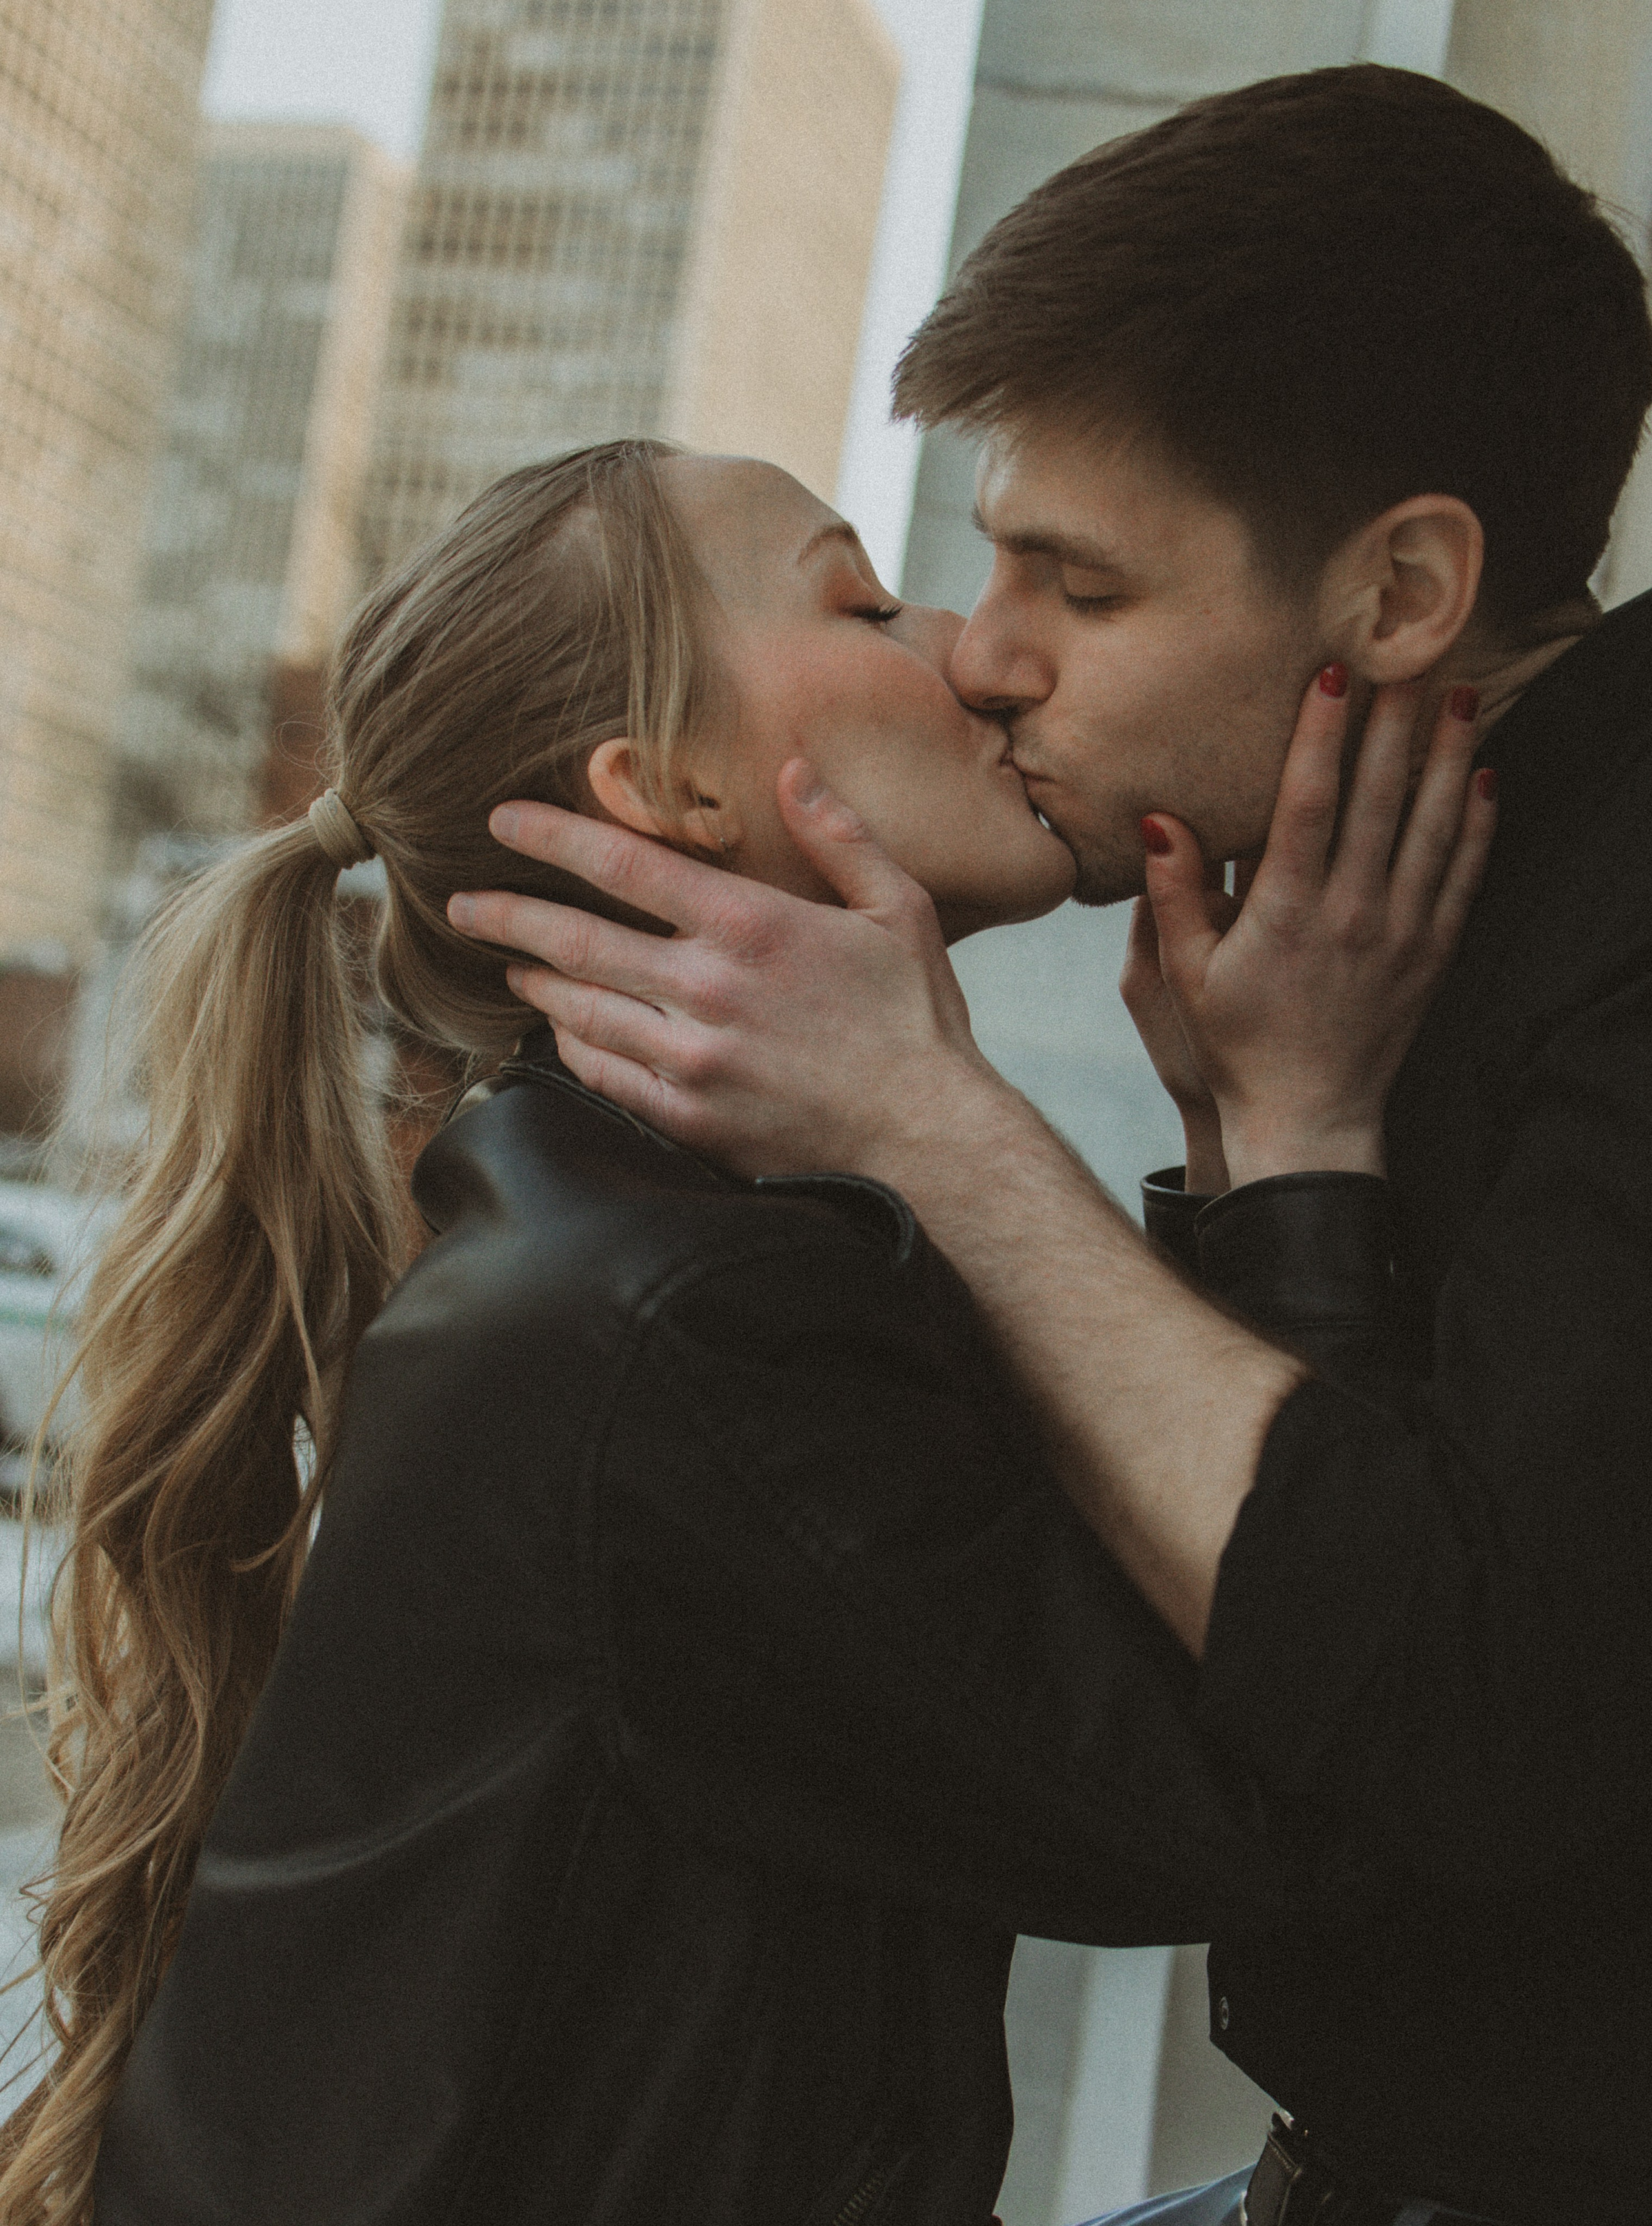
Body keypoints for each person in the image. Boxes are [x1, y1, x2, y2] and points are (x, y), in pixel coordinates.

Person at [0, 440, 1483, 2226]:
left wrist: (1217, 1145)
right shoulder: (678, 1320)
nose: (970, 649)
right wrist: (1306, 1141)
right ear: (672, 789)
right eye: (864, 601)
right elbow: (1313, 1782)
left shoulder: (636, 1227)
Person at [448, 66, 1652, 2225]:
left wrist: (944, 1125)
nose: (983, 655)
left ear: (1398, 594)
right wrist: (1273, 1146)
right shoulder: (1365, 923)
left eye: (1076, 586)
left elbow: (1434, 1722)